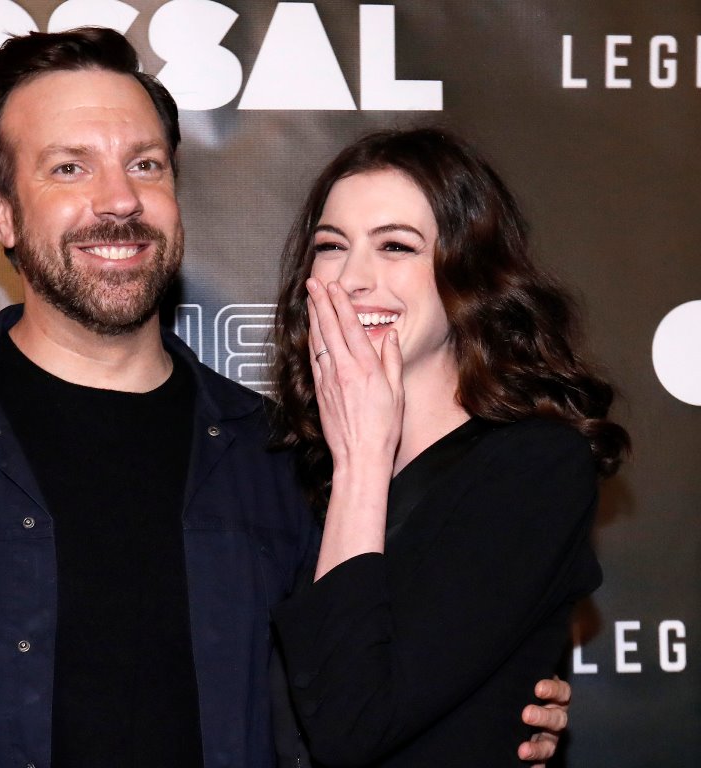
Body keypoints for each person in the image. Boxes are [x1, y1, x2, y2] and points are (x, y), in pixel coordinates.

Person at [0, 30, 572, 768]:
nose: (118, 200)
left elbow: (359, 688)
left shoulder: (285, 459)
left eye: (145, 164)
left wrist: (488, 720)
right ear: (0, 211)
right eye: (70, 167)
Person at [269, 128, 630, 767]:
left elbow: (349, 725)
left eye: (396, 246)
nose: (354, 278)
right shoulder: (279, 464)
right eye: (331, 246)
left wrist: (361, 462)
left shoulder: (532, 467)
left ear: (466, 270)